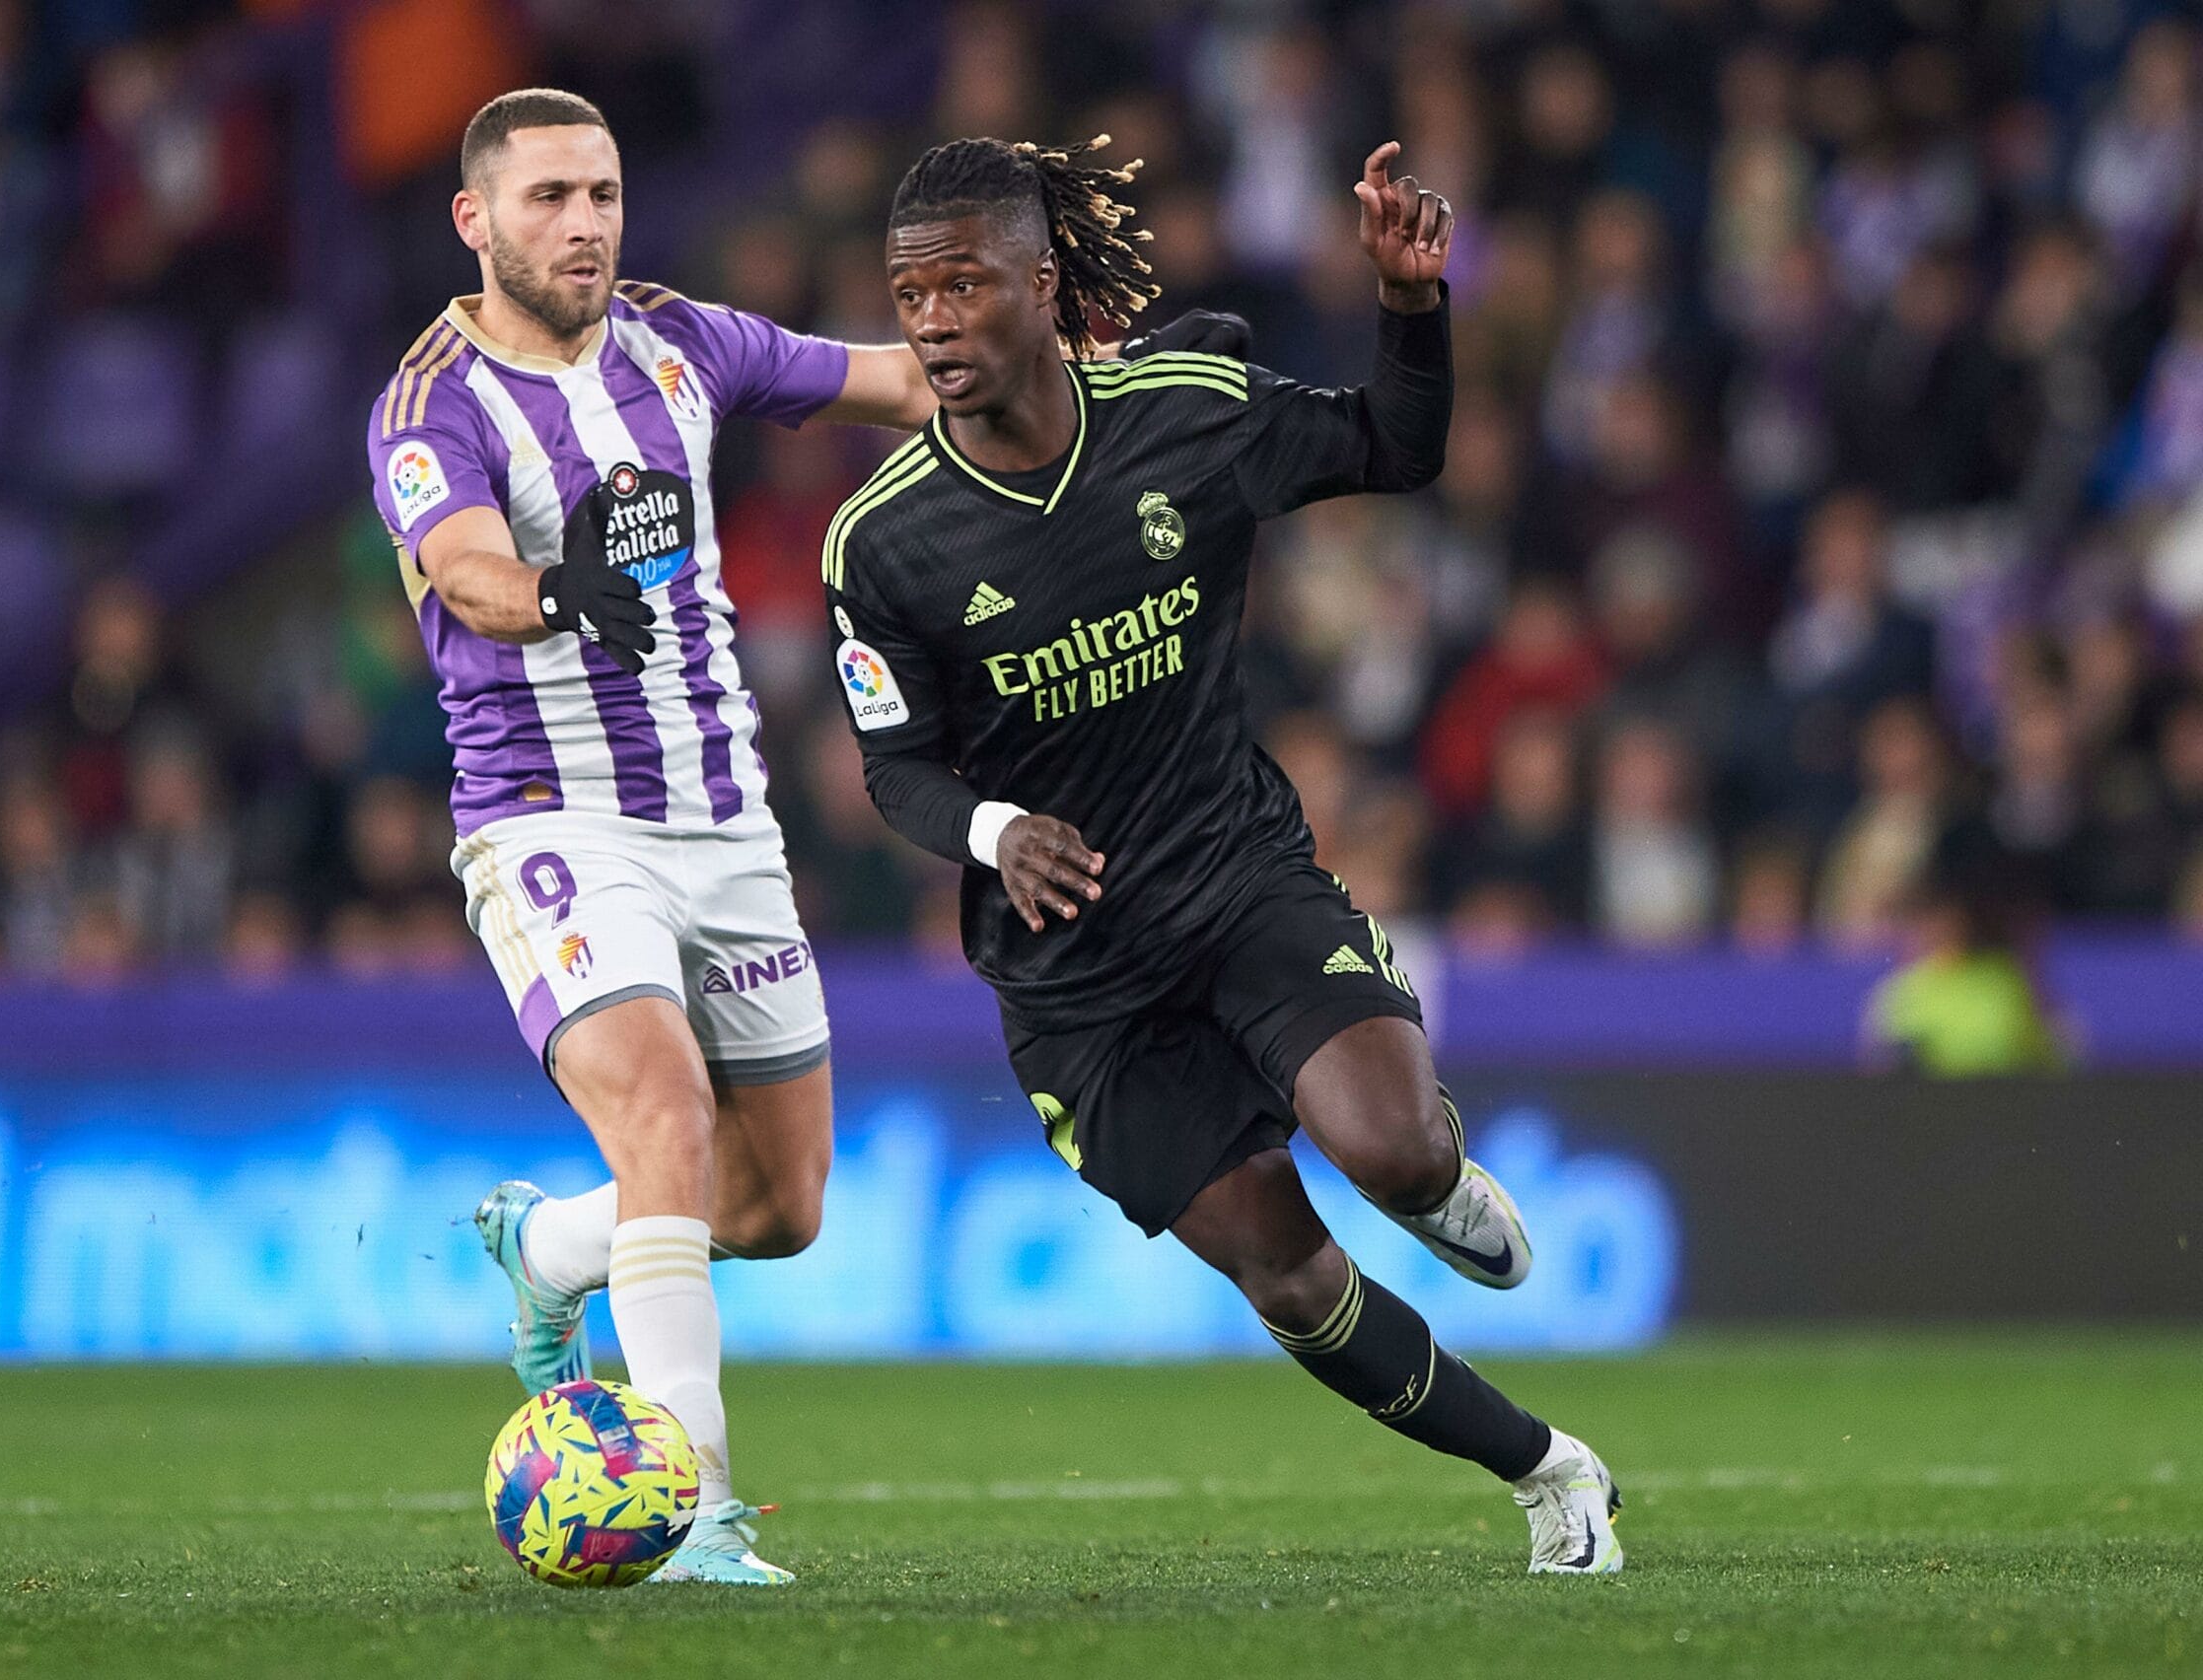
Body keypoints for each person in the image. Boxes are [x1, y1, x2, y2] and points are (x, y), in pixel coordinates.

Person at [366, 89, 1239, 1585]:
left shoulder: (681, 341)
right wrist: (556, 589)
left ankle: (553, 1250)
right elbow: (460, 571)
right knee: (661, 1111)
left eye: (602, 193)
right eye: (547, 199)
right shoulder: (431, 402)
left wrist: (1091, 371)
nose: (582, 225)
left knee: (777, 1209)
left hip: (723, 824)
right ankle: (696, 1506)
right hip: (551, 820)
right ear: (477, 222)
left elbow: (901, 381)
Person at [823, 135, 1626, 1575]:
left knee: (1387, 1149)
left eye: (961, 286)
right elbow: (895, 768)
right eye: (907, 294)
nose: (932, 321)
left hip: (1237, 876)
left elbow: (1399, 443)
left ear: (1042, 283)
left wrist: (1407, 306)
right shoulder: (883, 542)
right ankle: (1548, 1470)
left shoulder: (1185, 415)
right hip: (1078, 986)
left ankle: (1440, 1177)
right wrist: (999, 833)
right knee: (1288, 1271)